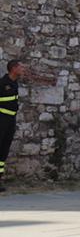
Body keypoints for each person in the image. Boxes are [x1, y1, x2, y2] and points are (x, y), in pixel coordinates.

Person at [1, 59, 25, 193]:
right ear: (13, 68)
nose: (23, 70)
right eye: (21, 67)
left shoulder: (14, 84)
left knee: (3, 151)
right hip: (2, 119)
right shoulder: (2, 83)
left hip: (10, 120)